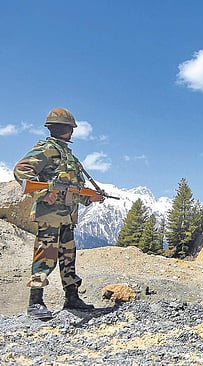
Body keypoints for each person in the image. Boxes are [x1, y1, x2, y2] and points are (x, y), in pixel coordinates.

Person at [14, 107, 106, 319]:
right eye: (69, 128)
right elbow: (21, 170)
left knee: (68, 256)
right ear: (67, 129)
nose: (70, 131)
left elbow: (72, 189)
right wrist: (45, 192)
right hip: (50, 216)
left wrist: (89, 197)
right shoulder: (47, 149)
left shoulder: (67, 154)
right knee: (45, 257)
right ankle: (35, 302)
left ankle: (72, 298)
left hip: (66, 216)